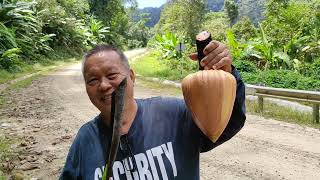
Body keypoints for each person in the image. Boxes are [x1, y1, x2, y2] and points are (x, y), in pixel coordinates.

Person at [60, 41, 246, 180]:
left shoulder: (174, 114)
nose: (103, 86)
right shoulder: (86, 140)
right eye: (92, 80)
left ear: (131, 77)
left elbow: (228, 122)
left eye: (112, 75)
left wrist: (226, 78)